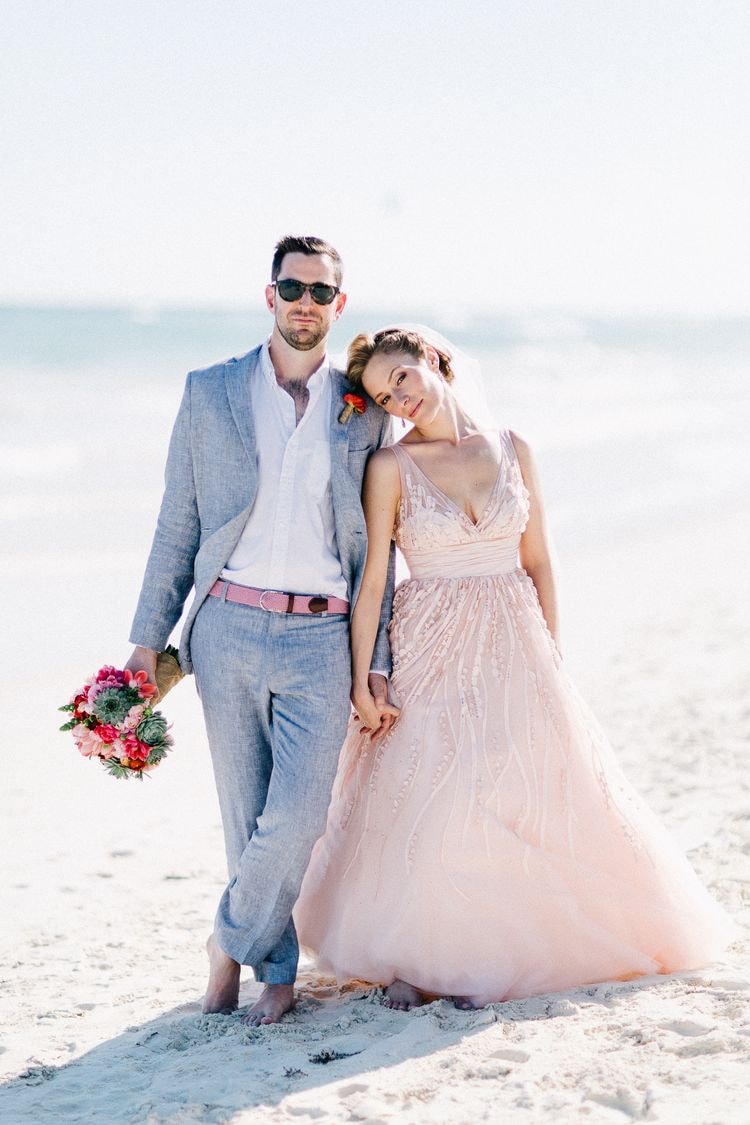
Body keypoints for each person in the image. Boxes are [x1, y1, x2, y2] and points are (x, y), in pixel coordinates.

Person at [294, 326, 736, 1011]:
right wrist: (362, 676)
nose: (399, 399)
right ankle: (418, 950)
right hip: (429, 636)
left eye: (403, 379)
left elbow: (539, 561)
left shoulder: (513, 448)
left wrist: (551, 654)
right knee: (433, 791)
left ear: (432, 360)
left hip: (514, 633)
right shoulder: (390, 466)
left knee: (524, 786)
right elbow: (374, 578)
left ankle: (515, 937)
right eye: (385, 394)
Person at [125, 236, 396, 1025]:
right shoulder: (210, 393)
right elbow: (177, 523)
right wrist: (149, 638)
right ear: (269, 294)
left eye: (321, 292)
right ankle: (274, 968)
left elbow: (380, 550)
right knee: (244, 815)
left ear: (339, 305)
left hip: (323, 637)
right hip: (227, 628)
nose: (305, 302)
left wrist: (374, 658)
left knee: (300, 815)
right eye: (293, 286)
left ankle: (226, 940)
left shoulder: (363, 406)